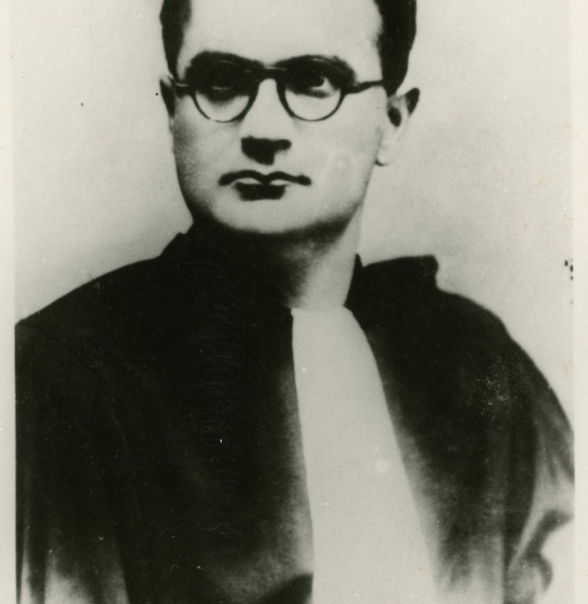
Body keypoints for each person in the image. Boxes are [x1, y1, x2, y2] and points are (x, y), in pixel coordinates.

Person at [16, 0, 573, 602]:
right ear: (173, 109)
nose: (263, 130)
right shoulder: (64, 373)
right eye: (221, 81)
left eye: (314, 81)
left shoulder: (477, 363)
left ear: (392, 121)